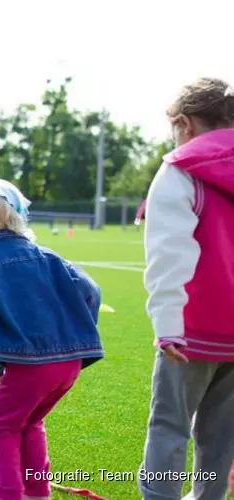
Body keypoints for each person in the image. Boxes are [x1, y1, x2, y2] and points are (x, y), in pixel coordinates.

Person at [0, 179, 103, 500]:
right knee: (31, 422)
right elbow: (91, 291)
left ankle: (5, 494)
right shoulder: (50, 257)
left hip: (27, 364)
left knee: (0, 428)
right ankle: (37, 491)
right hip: (69, 363)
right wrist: (74, 334)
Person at [139, 77, 234, 500]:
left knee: (169, 428)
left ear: (185, 123)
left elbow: (169, 256)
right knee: (222, 436)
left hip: (192, 330)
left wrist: (167, 325)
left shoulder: (179, 170)